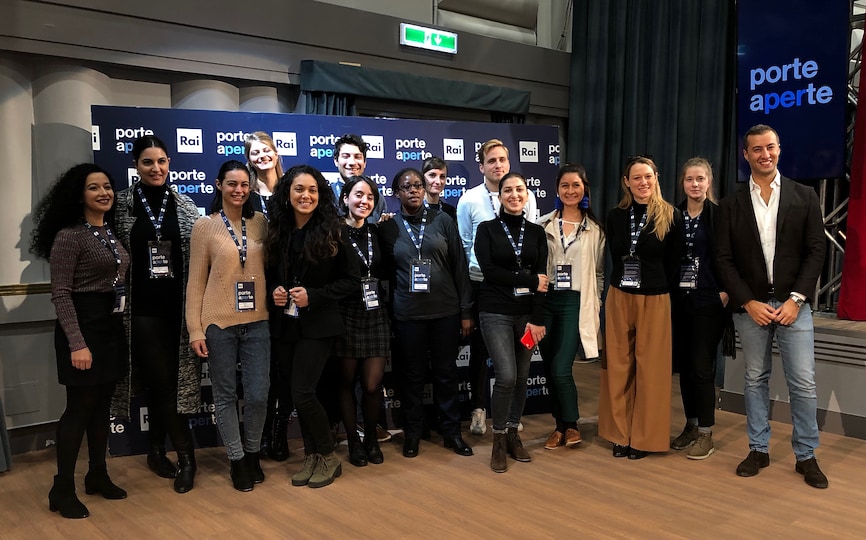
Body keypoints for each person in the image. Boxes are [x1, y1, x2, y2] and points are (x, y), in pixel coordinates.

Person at [716, 124, 828, 488]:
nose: (765, 154)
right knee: (754, 379)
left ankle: (806, 455)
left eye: (770, 147)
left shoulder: (804, 195)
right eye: (757, 149)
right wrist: (747, 301)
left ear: (779, 149)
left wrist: (797, 299)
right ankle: (758, 449)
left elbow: (816, 250)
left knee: (803, 383)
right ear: (745, 155)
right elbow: (723, 259)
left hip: (795, 306)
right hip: (752, 308)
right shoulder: (730, 205)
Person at [31, 164, 130, 518]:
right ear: (79, 195)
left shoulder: (109, 231)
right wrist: (77, 343)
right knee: (80, 407)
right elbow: (61, 293)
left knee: (102, 406)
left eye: (107, 186)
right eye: (93, 187)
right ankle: (62, 488)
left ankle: (97, 474)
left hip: (110, 327)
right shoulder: (69, 236)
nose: (104, 193)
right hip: (82, 328)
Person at [112, 135, 200, 494]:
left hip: (179, 311)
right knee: (165, 382)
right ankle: (187, 459)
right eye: (148, 162)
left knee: (164, 382)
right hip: (142, 310)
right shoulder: (120, 204)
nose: (156, 168)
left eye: (161, 161)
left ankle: (154, 450)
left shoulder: (184, 204)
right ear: (136, 165)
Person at [267, 164, 359, 489]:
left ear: (320, 195)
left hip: (318, 325)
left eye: (312, 190)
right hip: (285, 325)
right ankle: (311, 455)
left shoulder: (334, 231)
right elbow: (270, 276)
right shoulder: (278, 231)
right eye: (299, 189)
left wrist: (315, 296)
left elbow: (353, 281)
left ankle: (328, 455)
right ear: (287, 194)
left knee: (304, 393)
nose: (306, 195)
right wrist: (274, 291)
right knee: (296, 394)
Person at [186, 160, 270, 492]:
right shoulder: (204, 226)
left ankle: (253, 453)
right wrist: (195, 329)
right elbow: (195, 282)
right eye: (232, 183)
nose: (239, 190)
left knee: (258, 395)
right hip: (218, 323)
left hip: (258, 321)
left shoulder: (260, 222)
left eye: (244, 184)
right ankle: (237, 460)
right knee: (224, 394)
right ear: (219, 185)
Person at [379, 168, 474, 459]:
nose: (413, 190)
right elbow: (385, 275)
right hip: (408, 314)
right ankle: (413, 433)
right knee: (412, 376)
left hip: (445, 311)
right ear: (396, 193)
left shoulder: (443, 220)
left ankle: (452, 432)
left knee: (446, 374)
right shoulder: (388, 228)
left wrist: (465, 311)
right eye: (406, 187)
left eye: (418, 185)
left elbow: (460, 267)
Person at [598, 156, 682, 460]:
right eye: (636, 177)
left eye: (648, 176)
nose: (643, 182)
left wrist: (654, 284)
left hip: (655, 297)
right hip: (620, 295)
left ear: (656, 177)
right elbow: (615, 256)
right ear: (627, 182)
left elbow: (674, 262)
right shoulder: (615, 216)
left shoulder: (671, 215)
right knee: (618, 366)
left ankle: (645, 438)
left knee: (651, 370)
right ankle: (619, 435)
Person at [456, 139, 538, 436]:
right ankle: (479, 410)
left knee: (518, 357)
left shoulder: (525, 196)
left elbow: (530, 238)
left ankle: (510, 417)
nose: (498, 165)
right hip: (483, 284)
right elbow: (464, 245)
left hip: (520, 288)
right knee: (480, 351)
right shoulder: (469, 200)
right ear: (481, 167)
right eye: (491, 160)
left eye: (502, 159)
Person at [475, 172, 548, 473]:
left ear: (527, 195)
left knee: (521, 377)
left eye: (519, 190)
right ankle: (498, 438)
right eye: (508, 190)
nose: (514, 195)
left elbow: (543, 280)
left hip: (527, 315)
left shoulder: (537, 232)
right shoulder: (487, 229)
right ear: (500, 196)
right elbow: (490, 272)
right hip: (495, 311)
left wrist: (538, 319)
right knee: (506, 376)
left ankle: (513, 433)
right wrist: (528, 280)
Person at [537, 164, 605, 450]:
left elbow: (598, 273)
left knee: (561, 367)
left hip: (574, 302)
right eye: (565, 185)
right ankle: (559, 427)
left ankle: (572, 424)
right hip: (546, 301)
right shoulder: (542, 225)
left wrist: (596, 301)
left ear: (584, 189)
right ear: (557, 189)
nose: (570, 191)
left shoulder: (595, 230)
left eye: (576, 185)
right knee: (549, 366)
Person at [670, 157, 730, 460]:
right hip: (680, 301)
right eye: (689, 179)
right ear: (683, 182)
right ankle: (691, 425)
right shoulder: (673, 216)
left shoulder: (720, 215)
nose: (695, 184)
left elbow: (732, 256)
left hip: (709, 300)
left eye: (700, 179)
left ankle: (706, 432)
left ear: (709, 182)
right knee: (685, 367)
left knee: (701, 366)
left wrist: (725, 292)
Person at [336, 176, 390, 467]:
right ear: (345, 198)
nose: (364, 201)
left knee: (371, 384)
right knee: (345, 382)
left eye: (370, 197)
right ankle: (353, 442)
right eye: (358, 195)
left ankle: (371, 438)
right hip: (345, 313)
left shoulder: (377, 232)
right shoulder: (333, 232)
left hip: (375, 313)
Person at [244, 131, 290, 461]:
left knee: (286, 368)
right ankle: (259, 435)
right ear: (249, 159)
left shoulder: (291, 189)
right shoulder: (246, 195)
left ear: (275, 153)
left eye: (266, 150)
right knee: (263, 370)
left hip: (290, 286)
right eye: (255, 152)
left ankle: (280, 434)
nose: (262, 156)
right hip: (258, 287)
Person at [331, 134, 388, 223]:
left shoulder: (377, 197)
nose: (352, 162)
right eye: (346, 156)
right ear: (336, 160)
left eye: (357, 157)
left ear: (364, 162)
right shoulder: (326, 195)